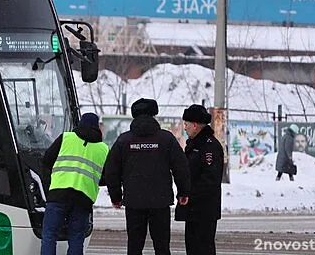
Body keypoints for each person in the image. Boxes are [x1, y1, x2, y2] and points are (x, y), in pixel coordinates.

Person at [103, 98, 190, 255]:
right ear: (154, 115)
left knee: (134, 247)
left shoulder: (124, 140)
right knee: (162, 247)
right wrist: (183, 192)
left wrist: (116, 197)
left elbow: (111, 171)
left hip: (134, 203)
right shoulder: (166, 139)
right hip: (160, 202)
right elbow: (181, 167)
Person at [40, 112, 109, 255]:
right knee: (77, 238)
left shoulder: (66, 138)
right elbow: (105, 178)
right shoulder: (103, 149)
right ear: (97, 128)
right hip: (83, 199)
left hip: (58, 195)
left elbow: (46, 160)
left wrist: (51, 182)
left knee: (49, 235)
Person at [175, 104, 224, 255]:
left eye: (186, 124)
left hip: (204, 210)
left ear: (195, 125)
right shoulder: (195, 144)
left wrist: (190, 195)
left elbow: (210, 180)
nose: (185, 128)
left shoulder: (209, 147)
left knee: (203, 248)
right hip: (193, 209)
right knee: (193, 247)